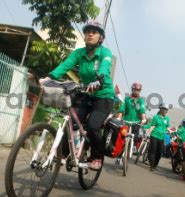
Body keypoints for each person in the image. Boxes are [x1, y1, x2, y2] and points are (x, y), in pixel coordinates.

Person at [39, 21, 114, 170]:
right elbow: (66, 65)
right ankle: (64, 153)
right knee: (72, 122)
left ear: (100, 38)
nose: (90, 34)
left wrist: (98, 80)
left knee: (93, 126)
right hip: (86, 93)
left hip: (104, 96)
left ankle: (97, 156)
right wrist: (50, 78)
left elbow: (105, 68)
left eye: (94, 32)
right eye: (88, 31)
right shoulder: (79, 53)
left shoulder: (105, 53)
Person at [116, 82, 147, 150]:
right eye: (135, 89)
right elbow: (122, 109)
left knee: (135, 135)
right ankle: (119, 155)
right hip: (125, 121)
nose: (137, 91)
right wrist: (119, 117)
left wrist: (143, 119)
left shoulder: (141, 101)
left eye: (138, 90)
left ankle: (133, 145)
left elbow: (141, 110)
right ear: (132, 89)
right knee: (122, 136)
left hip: (136, 122)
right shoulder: (127, 99)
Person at [146, 103, 171, 171]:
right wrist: (148, 132)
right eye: (165, 109)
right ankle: (152, 165)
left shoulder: (167, 118)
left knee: (160, 152)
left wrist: (170, 130)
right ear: (161, 109)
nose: (166, 111)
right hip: (154, 135)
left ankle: (155, 165)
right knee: (153, 150)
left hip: (162, 137)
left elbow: (167, 127)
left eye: (167, 110)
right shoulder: (156, 117)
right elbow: (153, 125)